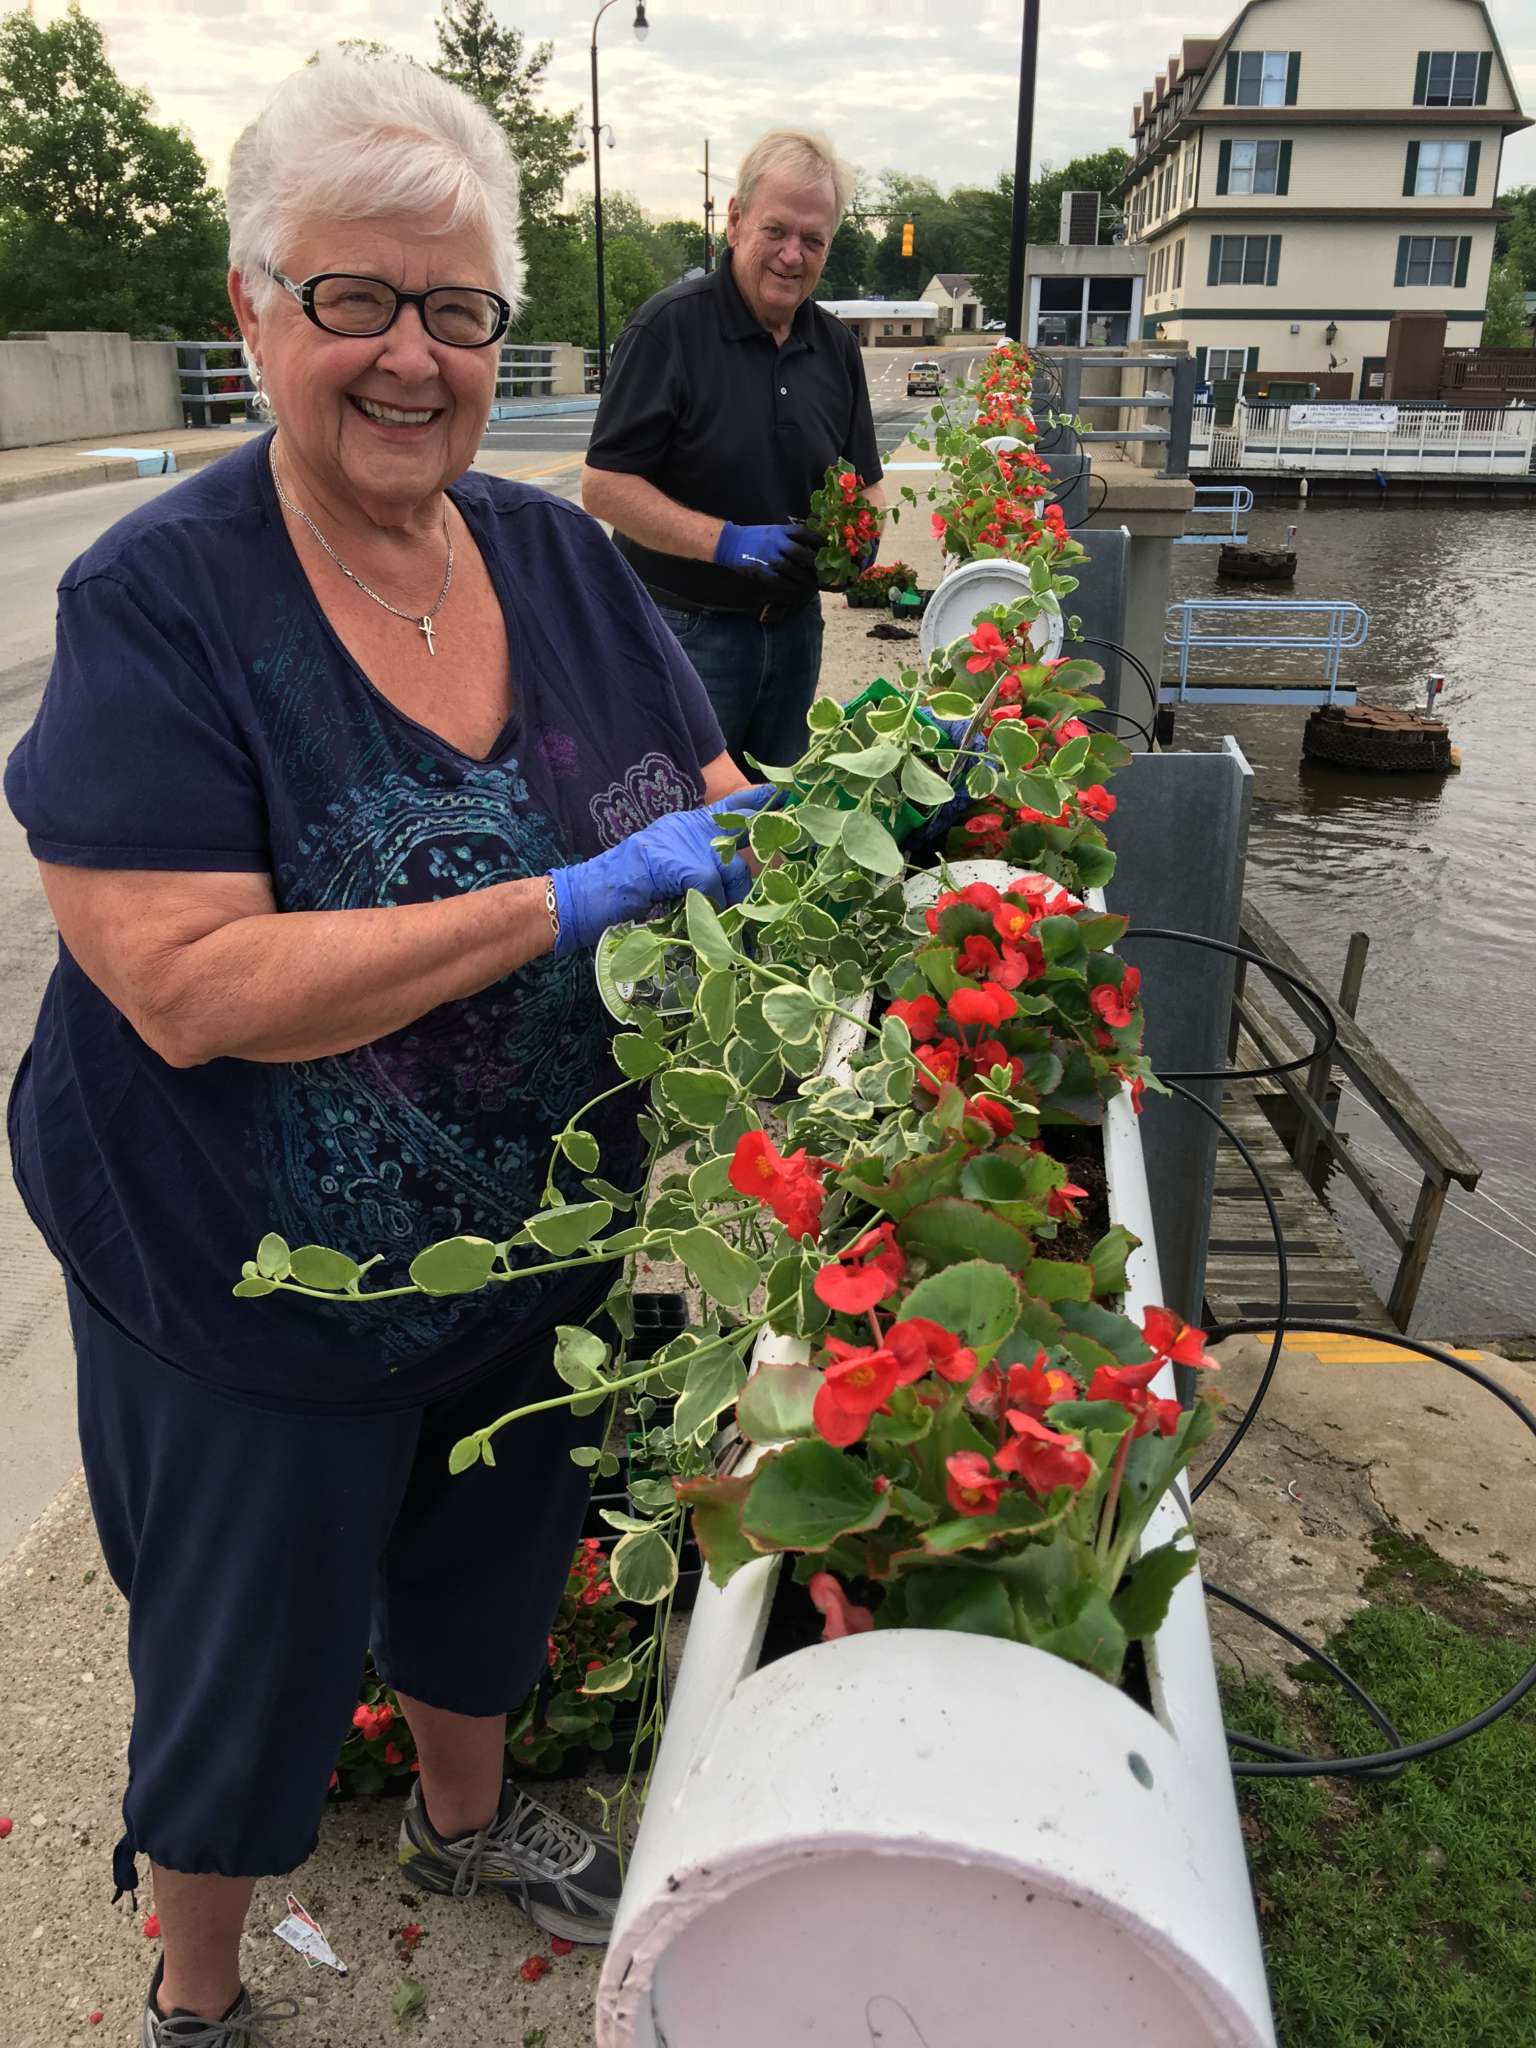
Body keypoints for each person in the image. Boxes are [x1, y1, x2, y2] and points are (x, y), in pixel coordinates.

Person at [4, 55, 765, 2047]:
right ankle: (198, 1984)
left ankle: (465, 1818)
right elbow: (185, 981)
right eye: (356, 297)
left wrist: (808, 850)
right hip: (247, 1271)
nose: (412, 354)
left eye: (458, 308)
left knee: (493, 1556)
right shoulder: (161, 600)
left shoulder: (560, 555)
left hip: (529, 1232)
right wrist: (561, 902)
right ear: (255, 307)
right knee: (242, 1643)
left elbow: (700, 789)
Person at [582, 128, 884, 770]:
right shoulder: (668, 329)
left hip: (795, 633)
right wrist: (726, 542)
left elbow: (867, 483)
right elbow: (604, 487)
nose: (792, 255)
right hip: (683, 632)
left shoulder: (836, 347)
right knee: (681, 810)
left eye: (813, 240)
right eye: (776, 230)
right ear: (737, 221)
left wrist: (860, 543)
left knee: (773, 810)